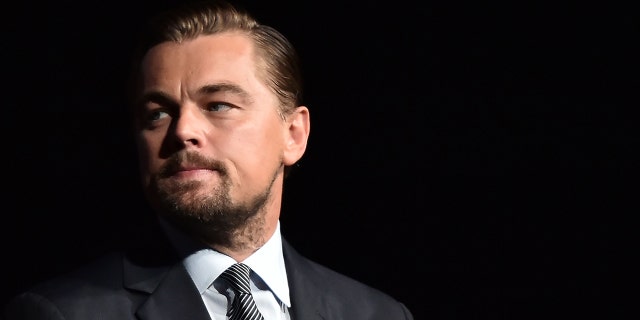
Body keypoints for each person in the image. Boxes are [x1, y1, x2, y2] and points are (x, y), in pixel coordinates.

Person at [4, 0, 413, 319]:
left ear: (293, 135)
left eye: (218, 105)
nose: (182, 131)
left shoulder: (377, 313)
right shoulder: (62, 314)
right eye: (156, 113)